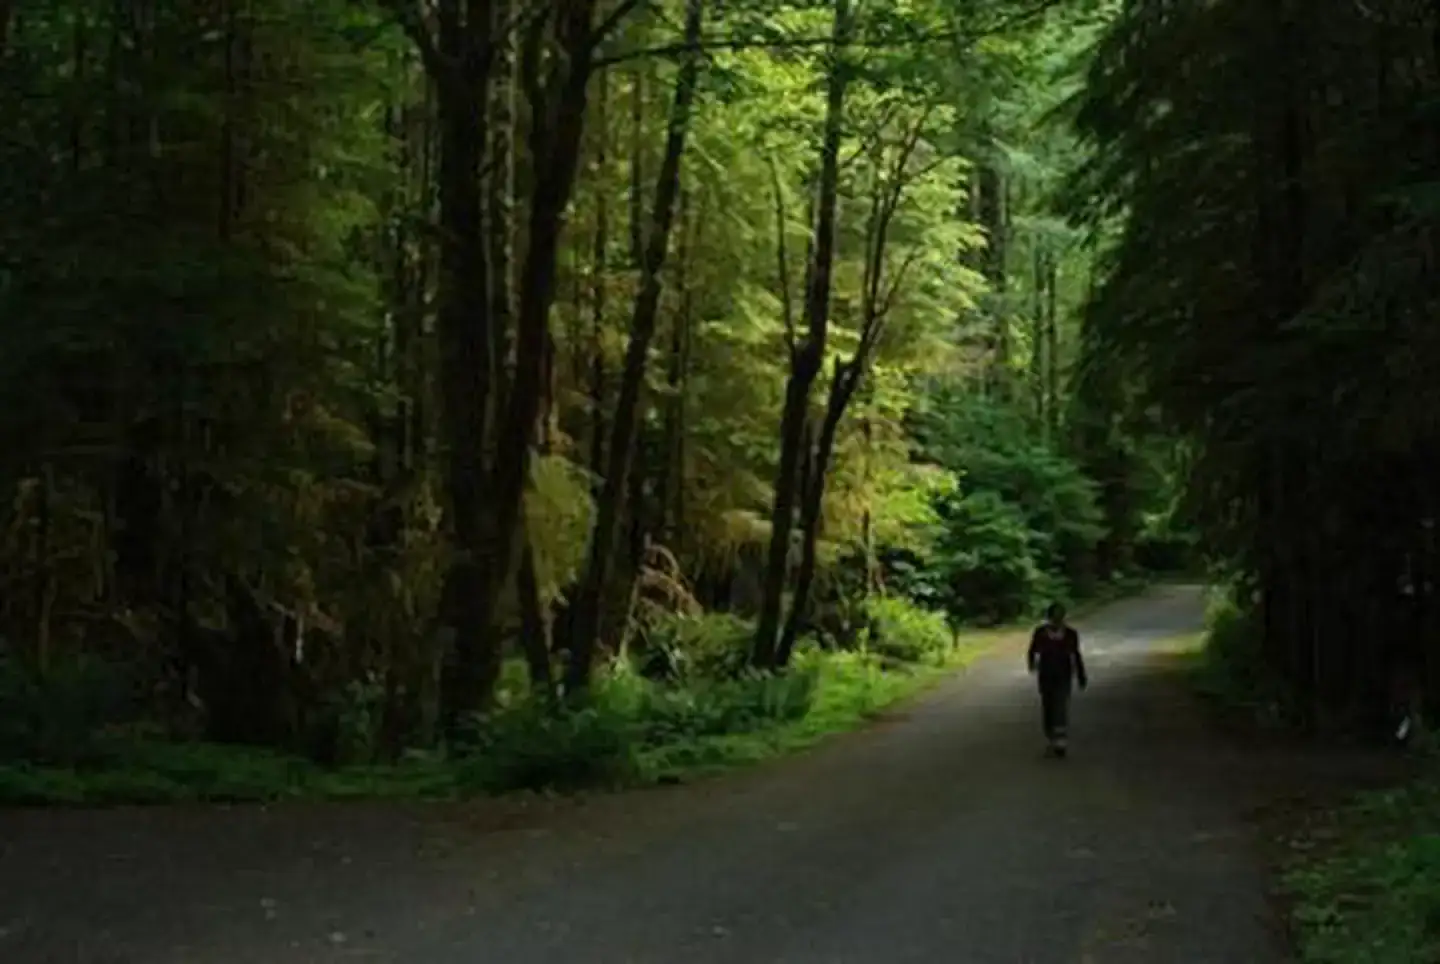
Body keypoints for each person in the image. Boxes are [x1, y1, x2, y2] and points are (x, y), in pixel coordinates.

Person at [1027, 602, 1087, 756]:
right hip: (1046, 674)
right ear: (1049, 617)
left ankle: (1060, 739)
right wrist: (1032, 664)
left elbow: (1076, 654)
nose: (1058, 619)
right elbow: (1032, 650)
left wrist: (1081, 675)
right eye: (1055, 616)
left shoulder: (1071, 634)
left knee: (1060, 705)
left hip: (1063, 674)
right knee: (1048, 706)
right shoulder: (1040, 633)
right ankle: (1050, 736)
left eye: (1060, 616)